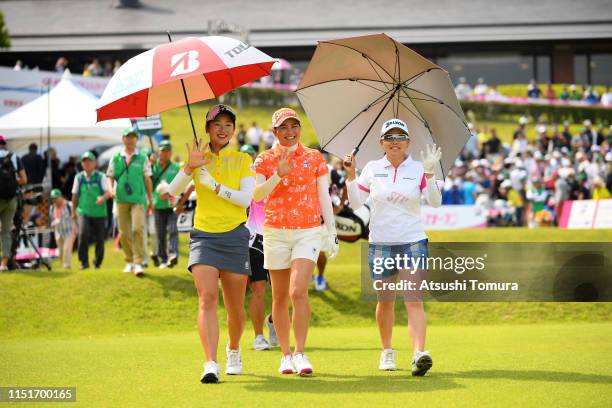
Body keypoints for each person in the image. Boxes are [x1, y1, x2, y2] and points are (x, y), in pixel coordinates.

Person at [343, 118, 442, 377]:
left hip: (412, 241)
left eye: (400, 137)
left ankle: (418, 353)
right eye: (390, 137)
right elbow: (355, 203)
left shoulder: (420, 168)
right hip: (381, 242)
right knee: (385, 300)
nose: (395, 142)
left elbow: (435, 202)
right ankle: (387, 350)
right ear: (382, 142)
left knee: (413, 299)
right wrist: (351, 175)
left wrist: (430, 175)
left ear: (408, 142)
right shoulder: (373, 168)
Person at [167, 104, 255, 384]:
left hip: (234, 234)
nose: (222, 128)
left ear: (233, 129)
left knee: (236, 309)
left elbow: (245, 200)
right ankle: (210, 362)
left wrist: (213, 184)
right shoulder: (198, 157)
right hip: (204, 235)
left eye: (228, 124)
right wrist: (191, 166)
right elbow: (171, 192)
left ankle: (233, 348)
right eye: (216, 124)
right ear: (207, 128)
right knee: (206, 297)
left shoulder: (243, 159)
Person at [252, 107, 338, 376]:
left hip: (308, 231)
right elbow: (256, 195)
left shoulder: (313, 157)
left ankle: (301, 353)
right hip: (275, 230)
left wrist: (331, 231)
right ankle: (286, 356)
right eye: (284, 128)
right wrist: (278, 174)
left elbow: (324, 195)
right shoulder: (265, 159)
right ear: (274, 132)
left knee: (298, 290)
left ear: (300, 129)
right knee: (278, 296)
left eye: (294, 127)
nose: (290, 133)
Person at [240, 144, 277, 351]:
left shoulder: (283, 172)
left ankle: (272, 320)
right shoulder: (248, 175)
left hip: (281, 234)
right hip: (255, 236)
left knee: (287, 291)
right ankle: (258, 336)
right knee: (258, 286)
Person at [106, 127, 153, 276]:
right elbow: (110, 176)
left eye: (133, 137)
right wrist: (111, 189)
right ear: (123, 139)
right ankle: (129, 261)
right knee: (124, 232)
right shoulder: (116, 157)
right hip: (121, 199)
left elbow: (147, 179)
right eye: (128, 137)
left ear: (136, 140)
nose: (131, 139)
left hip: (138, 199)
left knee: (137, 229)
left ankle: (138, 263)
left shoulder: (142, 157)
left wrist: (150, 199)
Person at [71, 152, 109, 270]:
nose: (87, 164)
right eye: (84, 161)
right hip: (84, 212)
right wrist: (73, 211)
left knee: (100, 239)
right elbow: (75, 195)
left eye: (89, 161)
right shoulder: (79, 178)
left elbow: (108, 193)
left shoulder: (101, 176)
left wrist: (102, 198)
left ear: (94, 163)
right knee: (83, 234)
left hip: (99, 212)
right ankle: (84, 262)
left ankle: (97, 262)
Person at [0, 135, 27, 271]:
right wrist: (12, 183)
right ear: (5, 144)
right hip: (11, 200)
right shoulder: (14, 157)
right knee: (5, 231)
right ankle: (3, 264)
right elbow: (24, 179)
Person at [152, 140, 180, 268]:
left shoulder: (175, 168)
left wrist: (171, 195)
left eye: (167, 151)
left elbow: (180, 186)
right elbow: (148, 184)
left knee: (173, 229)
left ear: (171, 153)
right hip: (157, 205)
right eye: (163, 151)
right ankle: (163, 259)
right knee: (160, 233)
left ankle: (173, 254)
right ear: (159, 152)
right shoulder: (153, 167)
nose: (165, 153)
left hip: (171, 204)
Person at [50, 188, 76, 269]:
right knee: (60, 251)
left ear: (60, 197)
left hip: (69, 231)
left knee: (66, 249)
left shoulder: (69, 205)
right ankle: (63, 265)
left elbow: (76, 216)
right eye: (53, 199)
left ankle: (67, 266)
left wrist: (75, 229)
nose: (54, 200)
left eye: (56, 198)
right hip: (58, 232)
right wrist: (53, 223)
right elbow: (52, 220)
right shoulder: (52, 208)